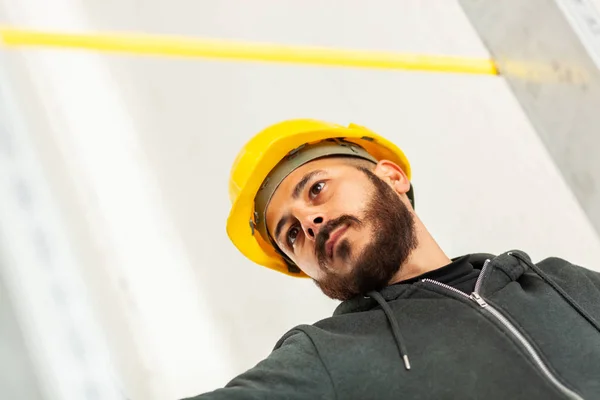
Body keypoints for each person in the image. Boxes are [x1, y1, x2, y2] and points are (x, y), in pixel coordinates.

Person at [186, 119, 600, 399]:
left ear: (391, 176)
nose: (309, 223)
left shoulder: (561, 283)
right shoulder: (329, 357)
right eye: (291, 235)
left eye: (316, 190)